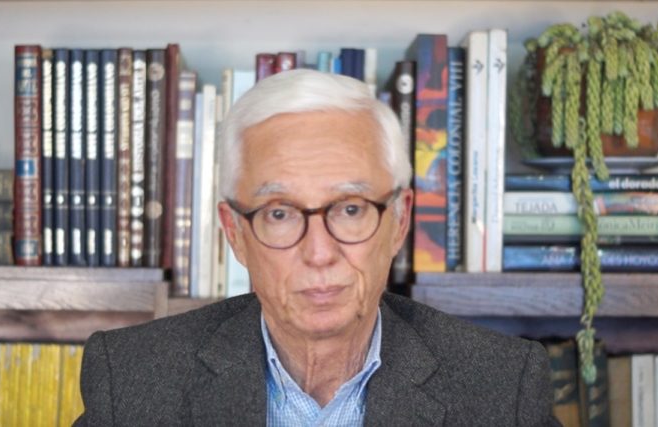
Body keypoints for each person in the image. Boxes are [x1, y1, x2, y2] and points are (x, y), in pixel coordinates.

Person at [74, 69, 558, 426]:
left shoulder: (503, 387)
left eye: (349, 209)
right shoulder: (131, 379)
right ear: (235, 232)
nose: (320, 253)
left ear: (399, 220)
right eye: (279, 213)